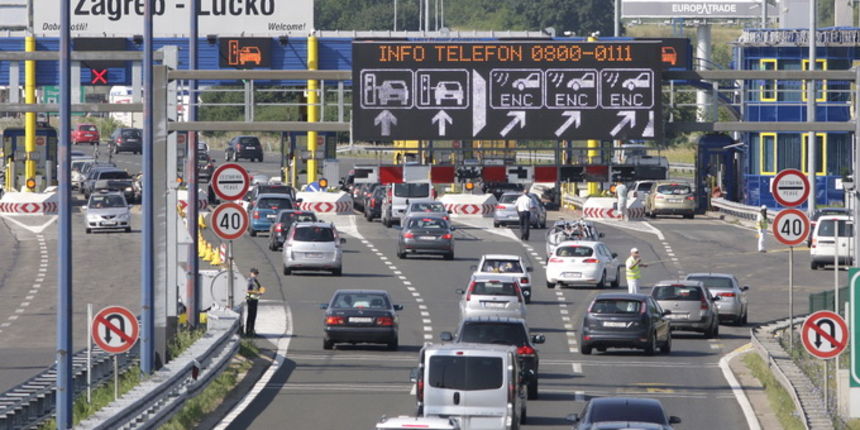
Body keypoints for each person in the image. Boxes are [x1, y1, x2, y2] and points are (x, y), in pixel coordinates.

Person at [245, 268, 263, 336]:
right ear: (251, 273)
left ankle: (251, 330)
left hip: (255, 299)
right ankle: (248, 331)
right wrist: (257, 292)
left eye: (256, 273)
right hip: (251, 299)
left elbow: (259, 288)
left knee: (253, 315)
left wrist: (260, 291)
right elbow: (247, 290)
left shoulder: (255, 280)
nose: (255, 275)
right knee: (251, 315)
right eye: (254, 273)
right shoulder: (250, 280)